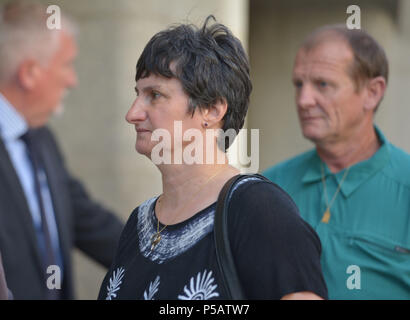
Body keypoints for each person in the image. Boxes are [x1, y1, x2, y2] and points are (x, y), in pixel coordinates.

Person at [98, 16, 327, 300]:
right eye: (138, 94)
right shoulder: (139, 221)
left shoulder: (259, 210)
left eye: (154, 95)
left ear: (212, 110)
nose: (132, 114)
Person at [263, 25, 410, 299]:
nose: (304, 100)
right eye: (298, 84)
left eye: (323, 84)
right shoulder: (268, 188)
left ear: (372, 92)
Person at [0, 0, 124, 299]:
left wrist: (176, 254)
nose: (73, 80)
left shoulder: (42, 141)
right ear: (29, 73)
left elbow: (90, 223)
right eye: (66, 65)